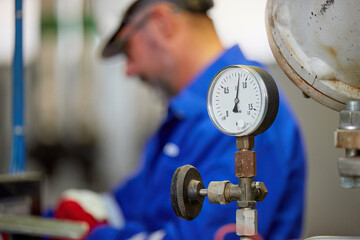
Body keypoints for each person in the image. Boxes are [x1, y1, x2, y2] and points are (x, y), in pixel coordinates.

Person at [54, 0, 306, 239]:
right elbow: (131, 202)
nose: (128, 70)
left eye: (127, 48)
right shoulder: (183, 120)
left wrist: (92, 236)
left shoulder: (244, 121)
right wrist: (51, 221)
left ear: (162, 23)